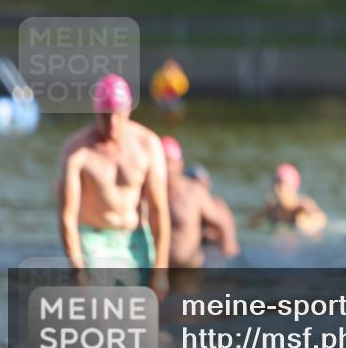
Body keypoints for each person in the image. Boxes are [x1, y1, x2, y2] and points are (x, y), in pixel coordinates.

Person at [57, 74, 169, 298]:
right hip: (95, 238)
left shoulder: (147, 145)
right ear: (95, 111)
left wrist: (161, 268)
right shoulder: (77, 151)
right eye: (105, 116)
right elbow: (67, 217)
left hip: (135, 237)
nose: (112, 124)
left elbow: (159, 209)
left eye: (117, 115)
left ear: (128, 109)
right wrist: (77, 267)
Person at [162, 136, 239, 267]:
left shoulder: (194, 192)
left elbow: (222, 223)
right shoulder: (147, 191)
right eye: (163, 161)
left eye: (171, 161)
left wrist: (229, 252)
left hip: (189, 270)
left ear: (180, 163)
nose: (168, 167)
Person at [249, 163, 328, 236]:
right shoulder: (272, 208)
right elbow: (250, 224)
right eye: (274, 182)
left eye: (280, 183)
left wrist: (304, 223)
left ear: (291, 186)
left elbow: (322, 219)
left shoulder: (301, 206)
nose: (275, 188)